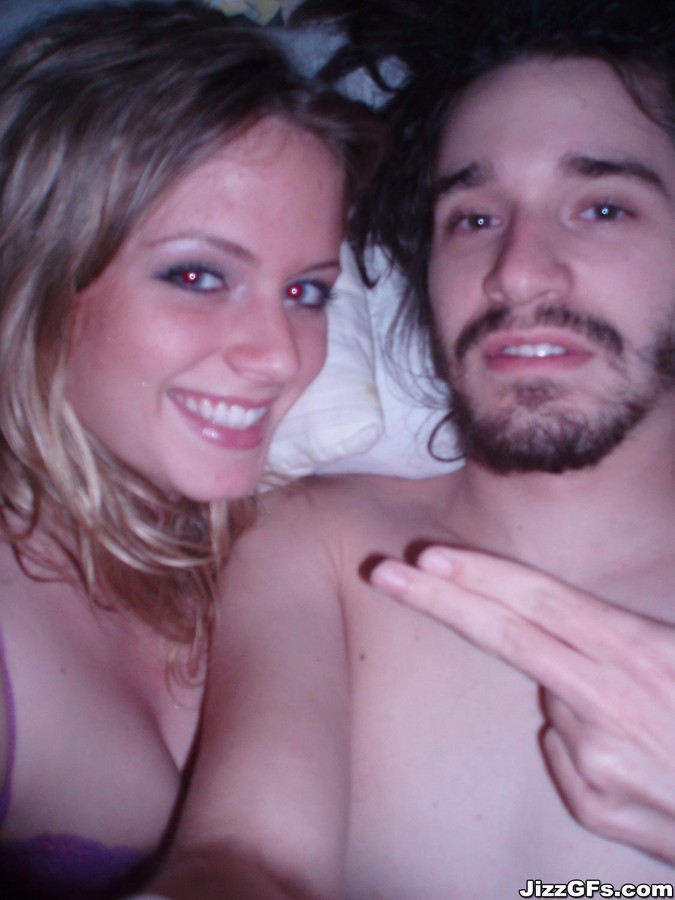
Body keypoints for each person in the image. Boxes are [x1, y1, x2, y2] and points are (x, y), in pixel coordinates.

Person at [150, 0, 675, 897]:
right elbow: (244, 860)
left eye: (600, 207)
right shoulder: (317, 546)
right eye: (471, 219)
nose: (516, 271)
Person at [0, 2, 379, 897]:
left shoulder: (300, 545)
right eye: (198, 275)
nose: (279, 356)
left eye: (306, 292)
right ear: (37, 269)